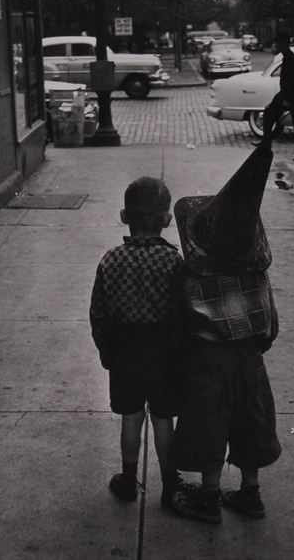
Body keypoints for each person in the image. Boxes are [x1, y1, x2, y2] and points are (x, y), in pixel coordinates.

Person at [170, 145, 282, 524]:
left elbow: (183, 323)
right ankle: (250, 493)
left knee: (208, 425)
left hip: (208, 361)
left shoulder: (192, 276)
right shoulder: (257, 273)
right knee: (251, 421)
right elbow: (271, 325)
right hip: (250, 357)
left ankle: (209, 497)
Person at [89, 177, 188, 508]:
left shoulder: (110, 260)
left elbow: (98, 313)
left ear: (123, 216)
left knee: (131, 418)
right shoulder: (175, 262)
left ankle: (129, 479)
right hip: (164, 353)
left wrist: (107, 351)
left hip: (125, 352)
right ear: (166, 220)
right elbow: (184, 312)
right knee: (163, 419)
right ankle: (171, 484)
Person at [255, 30, 294, 162]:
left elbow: (293, 81)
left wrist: (286, 100)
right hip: (290, 94)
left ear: (283, 44)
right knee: (270, 113)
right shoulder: (287, 57)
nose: (276, 46)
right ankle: (266, 144)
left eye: (278, 43)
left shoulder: (290, 58)